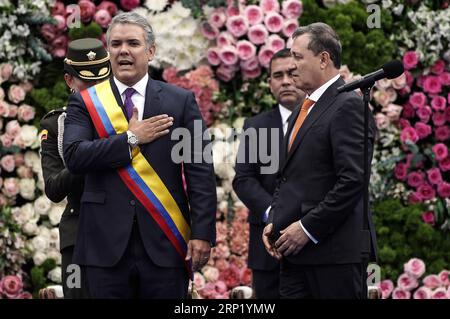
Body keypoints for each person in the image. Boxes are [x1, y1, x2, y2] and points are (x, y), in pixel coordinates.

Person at [63, 12, 217, 298]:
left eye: (133, 43)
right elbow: (75, 156)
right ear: (108, 51)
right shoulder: (85, 102)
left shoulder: (179, 101)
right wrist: (131, 138)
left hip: (165, 240)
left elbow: (199, 172)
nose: (124, 51)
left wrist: (202, 232)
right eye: (116, 44)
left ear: (151, 51)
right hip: (103, 246)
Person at [262, 23, 377, 299]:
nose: (291, 67)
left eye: (298, 58)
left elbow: (353, 180)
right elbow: (289, 175)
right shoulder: (305, 107)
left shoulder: (348, 104)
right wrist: (276, 219)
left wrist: (306, 228)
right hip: (295, 256)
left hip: (332, 257)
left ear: (324, 59)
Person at [40, 38, 111, 299]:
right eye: (87, 82)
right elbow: (54, 188)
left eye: (101, 80)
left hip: (126, 227)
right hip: (80, 229)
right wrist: (87, 156)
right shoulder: (57, 125)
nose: (96, 88)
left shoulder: (129, 116)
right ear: (70, 81)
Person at [233, 49, 305, 299]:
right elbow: (243, 179)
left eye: (292, 73)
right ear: (270, 83)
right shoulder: (255, 126)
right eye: (278, 75)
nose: (285, 80)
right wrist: (273, 213)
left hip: (314, 239)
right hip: (267, 247)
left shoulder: (327, 120)